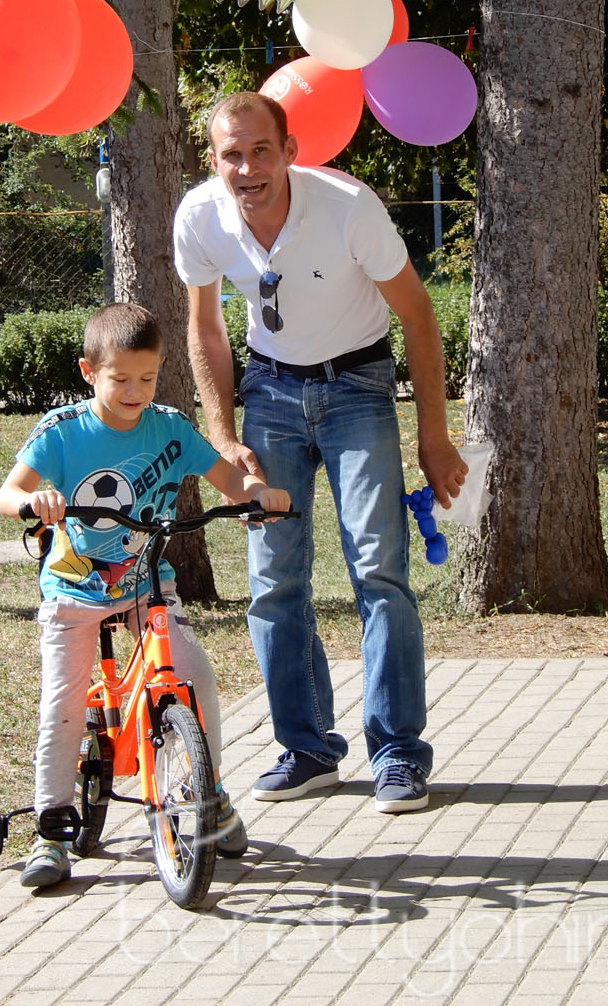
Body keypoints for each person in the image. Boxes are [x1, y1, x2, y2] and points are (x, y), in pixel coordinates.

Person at [173, 91, 468, 814]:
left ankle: (398, 754)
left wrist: (433, 436)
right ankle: (306, 750)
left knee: (379, 569)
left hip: (357, 386)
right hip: (270, 392)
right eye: (232, 155)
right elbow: (206, 328)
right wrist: (223, 433)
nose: (248, 168)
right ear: (214, 160)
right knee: (273, 578)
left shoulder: (347, 207)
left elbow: (418, 314)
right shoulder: (199, 217)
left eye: (261, 151)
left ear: (290, 151)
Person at [0, 302, 290, 889]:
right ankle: (51, 829)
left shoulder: (170, 428)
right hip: (73, 589)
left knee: (194, 676)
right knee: (63, 704)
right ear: (89, 372)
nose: (135, 391)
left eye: (148, 378)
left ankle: (209, 793)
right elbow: (7, 493)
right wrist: (34, 501)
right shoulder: (62, 431)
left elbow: (227, 478)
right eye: (121, 378)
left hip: (147, 585)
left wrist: (256, 490)